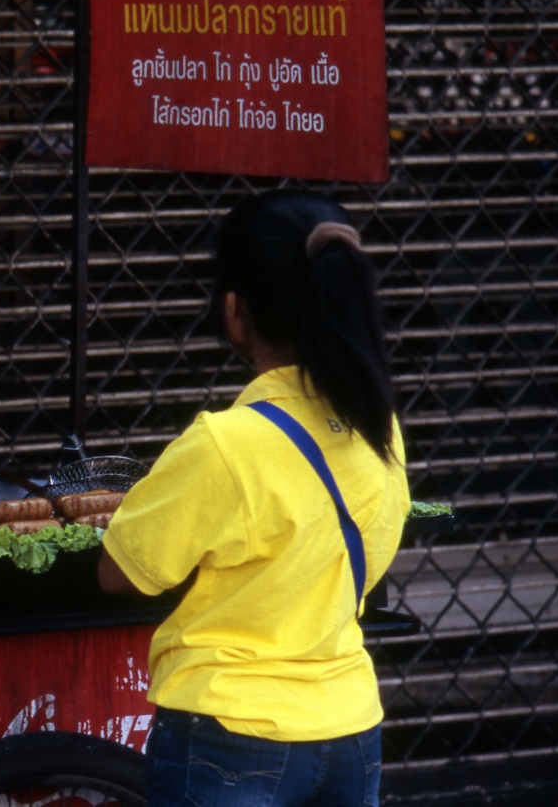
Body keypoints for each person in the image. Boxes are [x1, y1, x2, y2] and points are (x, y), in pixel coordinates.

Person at [98, 189, 411, 807]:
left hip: (230, 737)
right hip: (350, 727)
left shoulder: (225, 444)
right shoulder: (381, 428)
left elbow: (120, 574)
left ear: (235, 309)